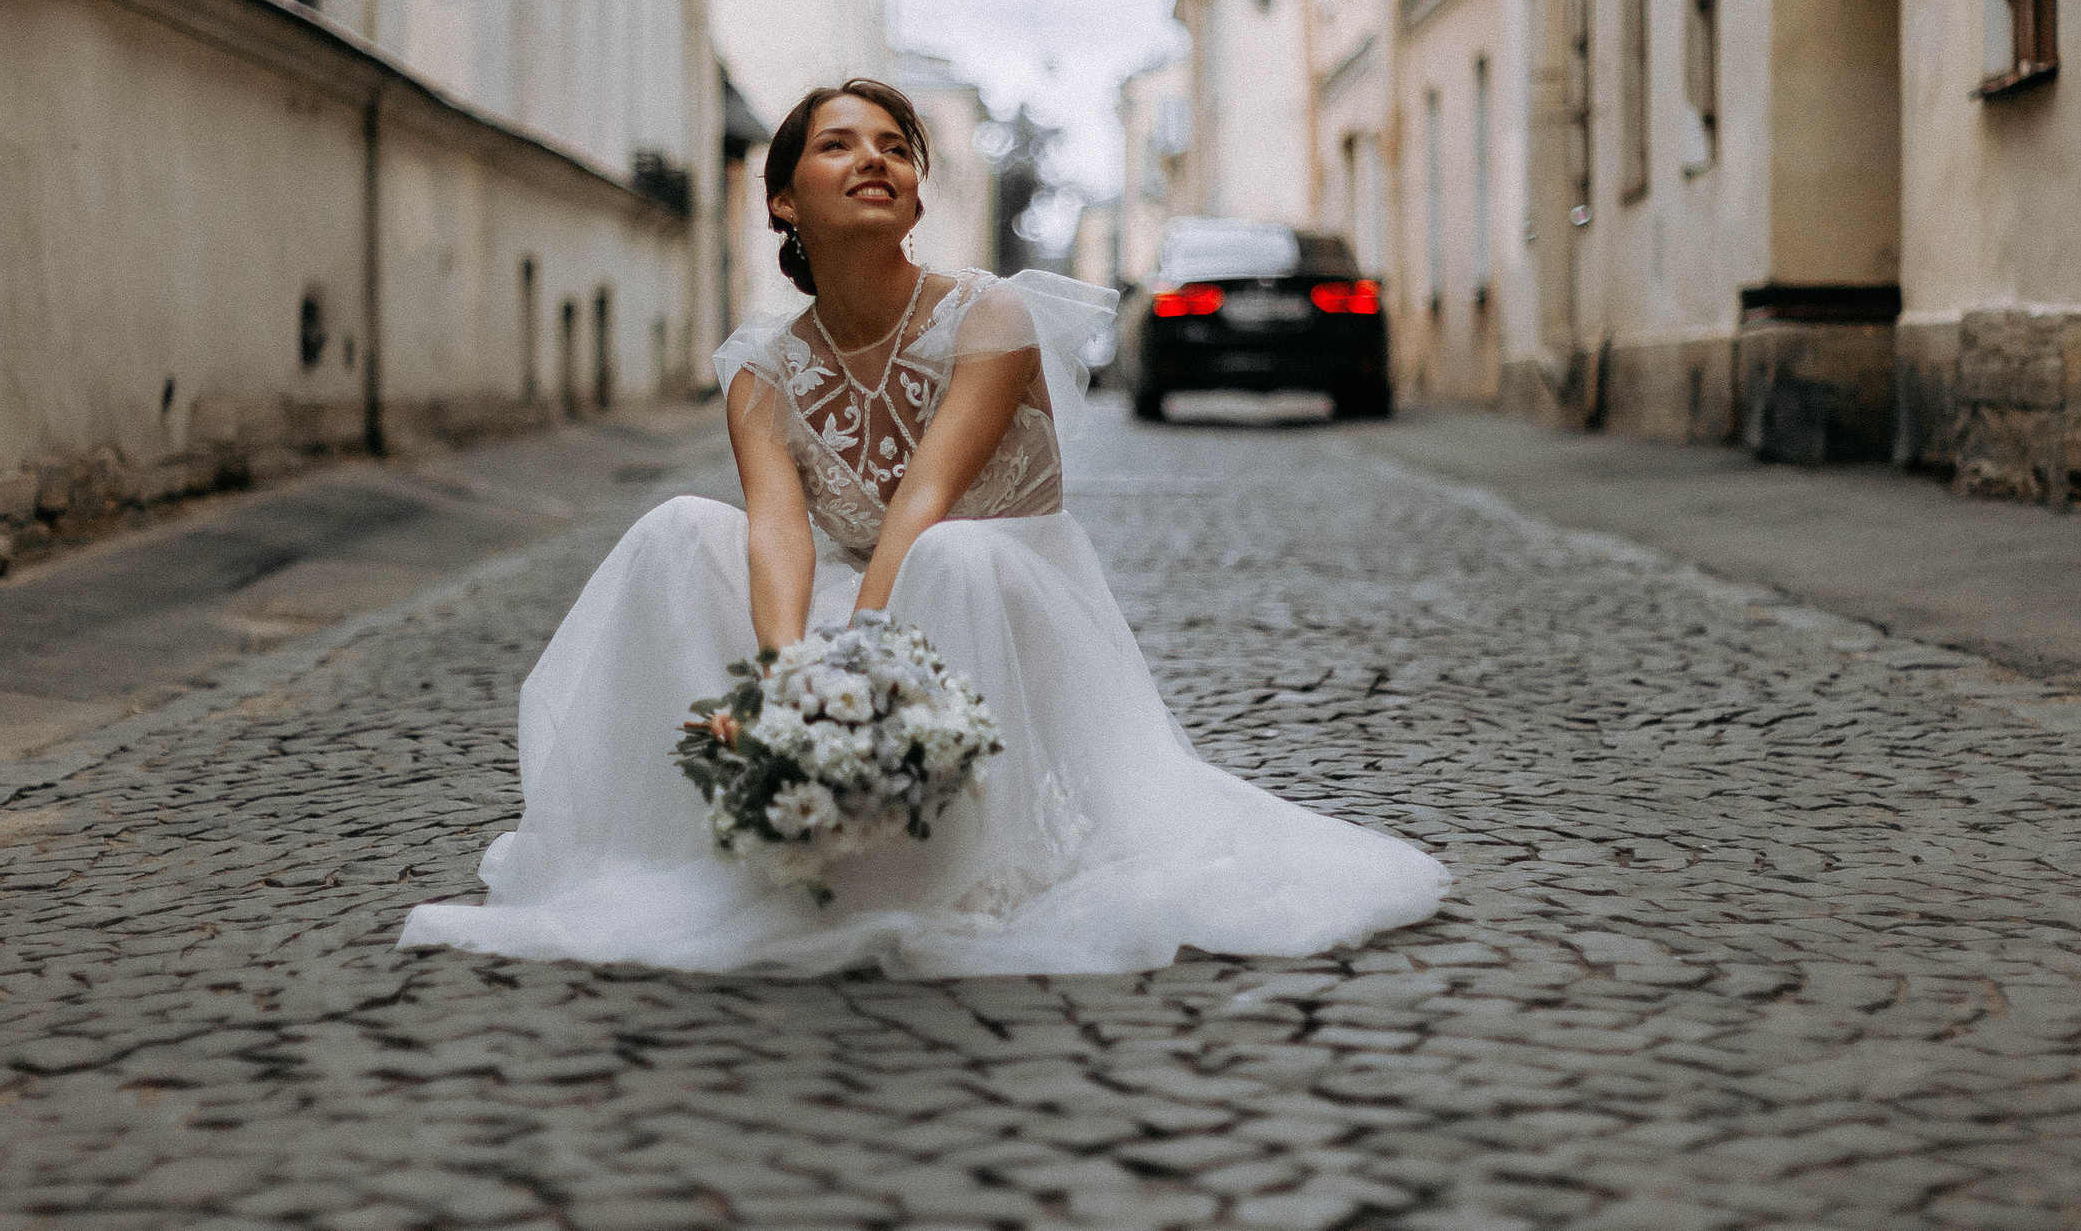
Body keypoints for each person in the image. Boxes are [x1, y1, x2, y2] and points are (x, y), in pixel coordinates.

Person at [398, 79, 1445, 976]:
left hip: (1007, 601)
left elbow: (923, 501)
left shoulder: (987, 317)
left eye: (897, 148)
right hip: (872, 598)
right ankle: (725, 823)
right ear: (780, 199)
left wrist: (848, 675)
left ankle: (960, 855)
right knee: (678, 526)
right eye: (839, 144)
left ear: (916, 194)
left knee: (945, 549)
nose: (875, 160)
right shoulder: (765, 366)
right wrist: (786, 692)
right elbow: (777, 529)